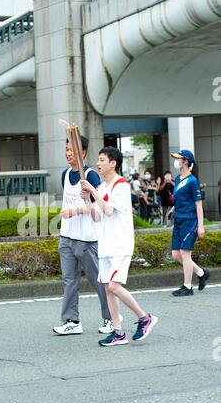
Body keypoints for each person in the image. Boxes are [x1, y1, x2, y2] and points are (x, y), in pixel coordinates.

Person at [80, 147, 158, 347]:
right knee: (108, 289)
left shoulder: (121, 185)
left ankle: (144, 317)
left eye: (102, 159)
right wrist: (87, 199)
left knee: (114, 286)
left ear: (113, 163)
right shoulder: (104, 187)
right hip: (106, 245)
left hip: (120, 245)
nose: (98, 163)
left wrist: (93, 190)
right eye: (98, 160)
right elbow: (96, 216)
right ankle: (118, 332)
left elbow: (107, 210)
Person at [53, 136, 112, 336]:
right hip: (67, 236)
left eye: (73, 150)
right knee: (69, 281)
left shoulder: (91, 176)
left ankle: (111, 318)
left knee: (98, 280)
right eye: (67, 149)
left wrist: (75, 212)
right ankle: (71, 321)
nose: (68, 153)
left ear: (83, 153)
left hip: (87, 239)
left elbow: (99, 207)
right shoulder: (65, 174)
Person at [170, 149, 210, 296]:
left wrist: (201, 226)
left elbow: (198, 204)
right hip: (178, 220)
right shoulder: (177, 179)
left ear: (185, 161)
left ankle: (188, 287)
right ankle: (201, 273)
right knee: (176, 254)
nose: (176, 161)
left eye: (178, 158)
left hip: (190, 220)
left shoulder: (193, 181)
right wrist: (173, 208)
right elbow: (181, 198)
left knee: (185, 254)